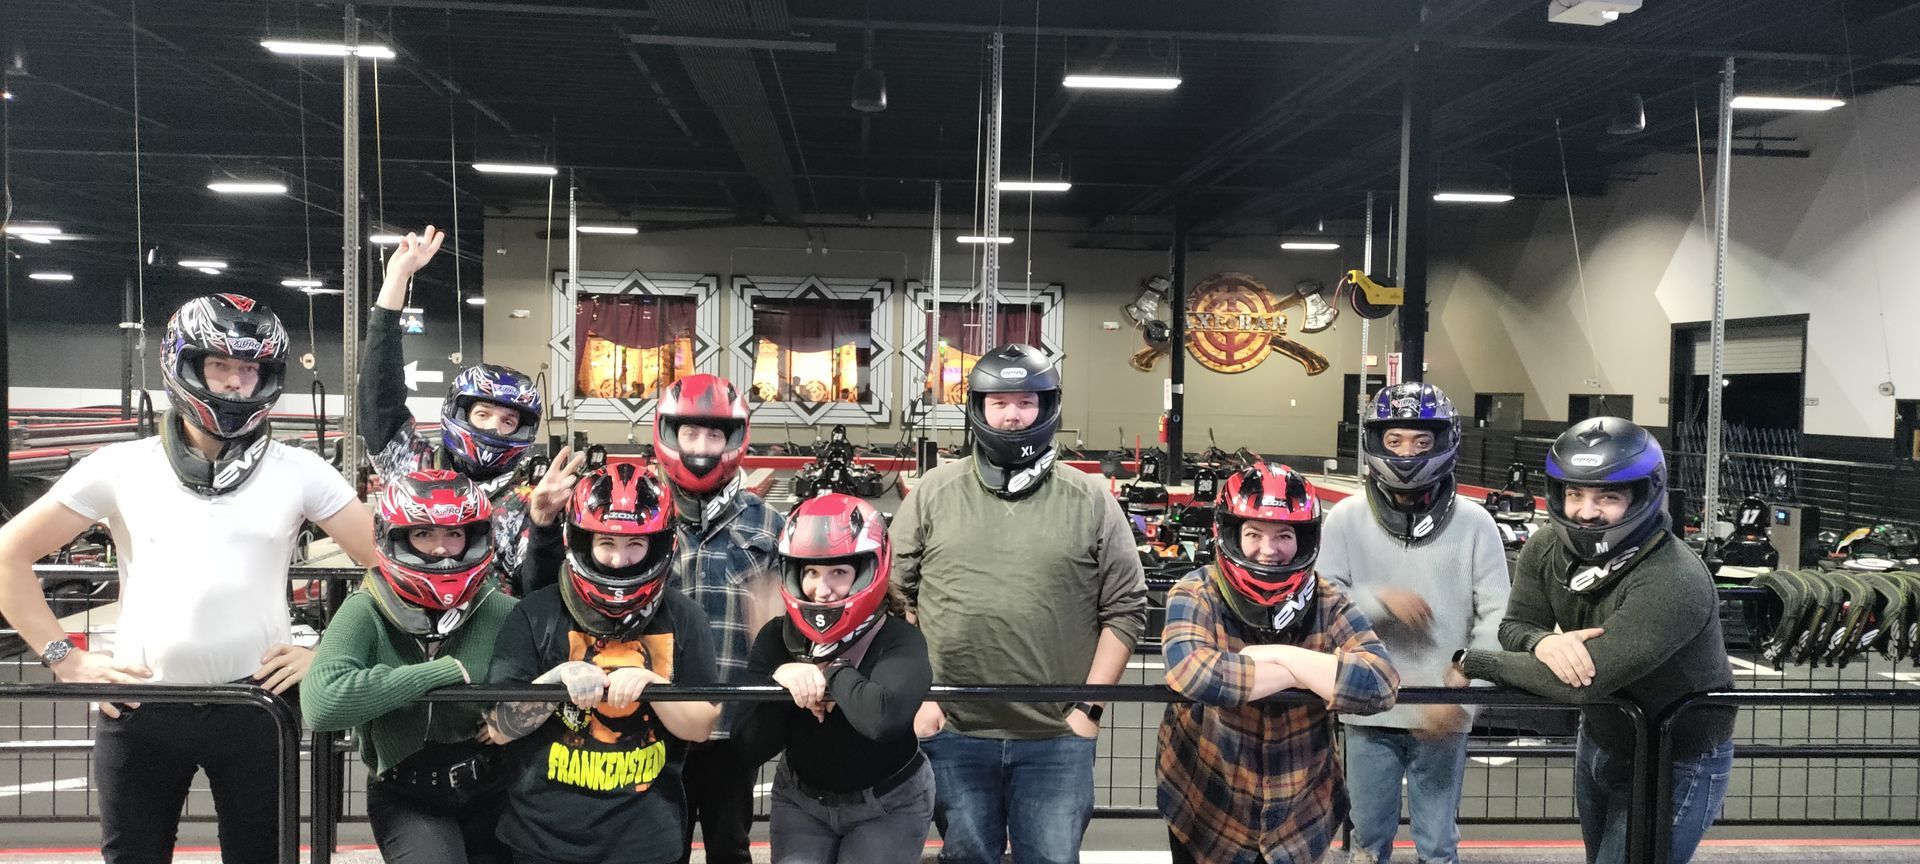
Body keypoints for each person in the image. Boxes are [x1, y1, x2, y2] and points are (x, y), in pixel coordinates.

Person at [0, 294, 377, 864]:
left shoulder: (300, 471)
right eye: (220, 365)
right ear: (184, 365)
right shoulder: (122, 466)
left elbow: (395, 566)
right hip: (139, 705)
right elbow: (8, 554)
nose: (235, 384)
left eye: (249, 370)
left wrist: (327, 654)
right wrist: (65, 659)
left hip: (257, 706)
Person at [891, 343, 1149, 864]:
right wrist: (923, 697)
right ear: (979, 409)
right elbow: (896, 599)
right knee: (967, 856)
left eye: (1027, 401)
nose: (1013, 415)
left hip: (1056, 738)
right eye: (1000, 402)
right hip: (956, 732)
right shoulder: (933, 492)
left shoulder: (1092, 498)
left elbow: (1126, 608)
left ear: (1048, 406)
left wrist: (1088, 711)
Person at [1450, 417, 1735, 864]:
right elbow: (1515, 627)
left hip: (1675, 756)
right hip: (1602, 734)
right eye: (1575, 493)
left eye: (1609, 496)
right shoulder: (1545, 547)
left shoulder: (1672, 578)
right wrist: (1543, 642)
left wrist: (1472, 661)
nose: (1586, 511)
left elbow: (1579, 682)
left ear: (1643, 494)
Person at [484, 456, 722, 864]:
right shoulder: (535, 612)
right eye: (606, 543)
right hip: (542, 839)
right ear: (582, 541)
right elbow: (498, 728)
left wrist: (654, 686)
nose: (618, 560)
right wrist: (554, 682)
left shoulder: (685, 617)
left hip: (644, 839)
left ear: (659, 545)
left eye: (635, 544)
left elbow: (701, 727)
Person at [1159, 461, 1399, 864]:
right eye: (1254, 534)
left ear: (1304, 539)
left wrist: (1280, 656)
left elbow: (1380, 684)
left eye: (1283, 535)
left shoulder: (1327, 600)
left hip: (1300, 817)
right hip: (1208, 804)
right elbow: (1194, 673)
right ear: (1232, 534)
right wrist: (1315, 672)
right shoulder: (1198, 590)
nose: (1268, 550)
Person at [1318, 384, 1508, 864]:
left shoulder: (1476, 523)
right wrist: (1379, 599)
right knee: (1367, 835)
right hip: (1368, 708)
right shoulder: (1345, 519)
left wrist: (1467, 688)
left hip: (1444, 711)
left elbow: (1498, 615)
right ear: (1376, 442)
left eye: (1422, 443)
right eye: (1396, 440)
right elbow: (1321, 599)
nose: (1406, 453)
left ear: (1444, 443)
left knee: (1439, 841)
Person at [303, 469, 518, 864]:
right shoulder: (365, 608)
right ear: (397, 538)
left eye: (454, 535)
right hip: (408, 795)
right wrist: (444, 672)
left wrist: (513, 716)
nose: (442, 550)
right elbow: (321, 703)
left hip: (493, 785)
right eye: (424, 534)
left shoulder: (501, 609)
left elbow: (553, 674)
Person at [734, 493, 934, 863]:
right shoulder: (778, 637)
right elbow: (750, 744)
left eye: (838, 573)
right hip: (802, 800)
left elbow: (881, 718)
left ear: (867, 574)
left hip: (888, 803)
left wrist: (829, 672)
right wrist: (784, 679)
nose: (821, 590)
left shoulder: (899, 638)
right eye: (810, 573)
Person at [363, 225, 545, 595]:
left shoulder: (527, 499)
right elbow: (379, 397)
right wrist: (396, 279)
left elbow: (537, 591)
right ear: (459, 413)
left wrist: (547, 524)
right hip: (406, 626)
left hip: (491, 637)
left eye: (508, 421)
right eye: (483, 414)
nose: (495, 428)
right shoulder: (412, 465)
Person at [650, 374, 786, 864]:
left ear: (733, 440)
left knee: (731, 847)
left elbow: (782, 627)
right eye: (690, 434)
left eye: (713, 435)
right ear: (669, 435)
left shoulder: (768, 524)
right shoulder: (642, 518)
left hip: (733, 726)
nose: (702, 446)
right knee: (662, 847)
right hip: (656, 719)